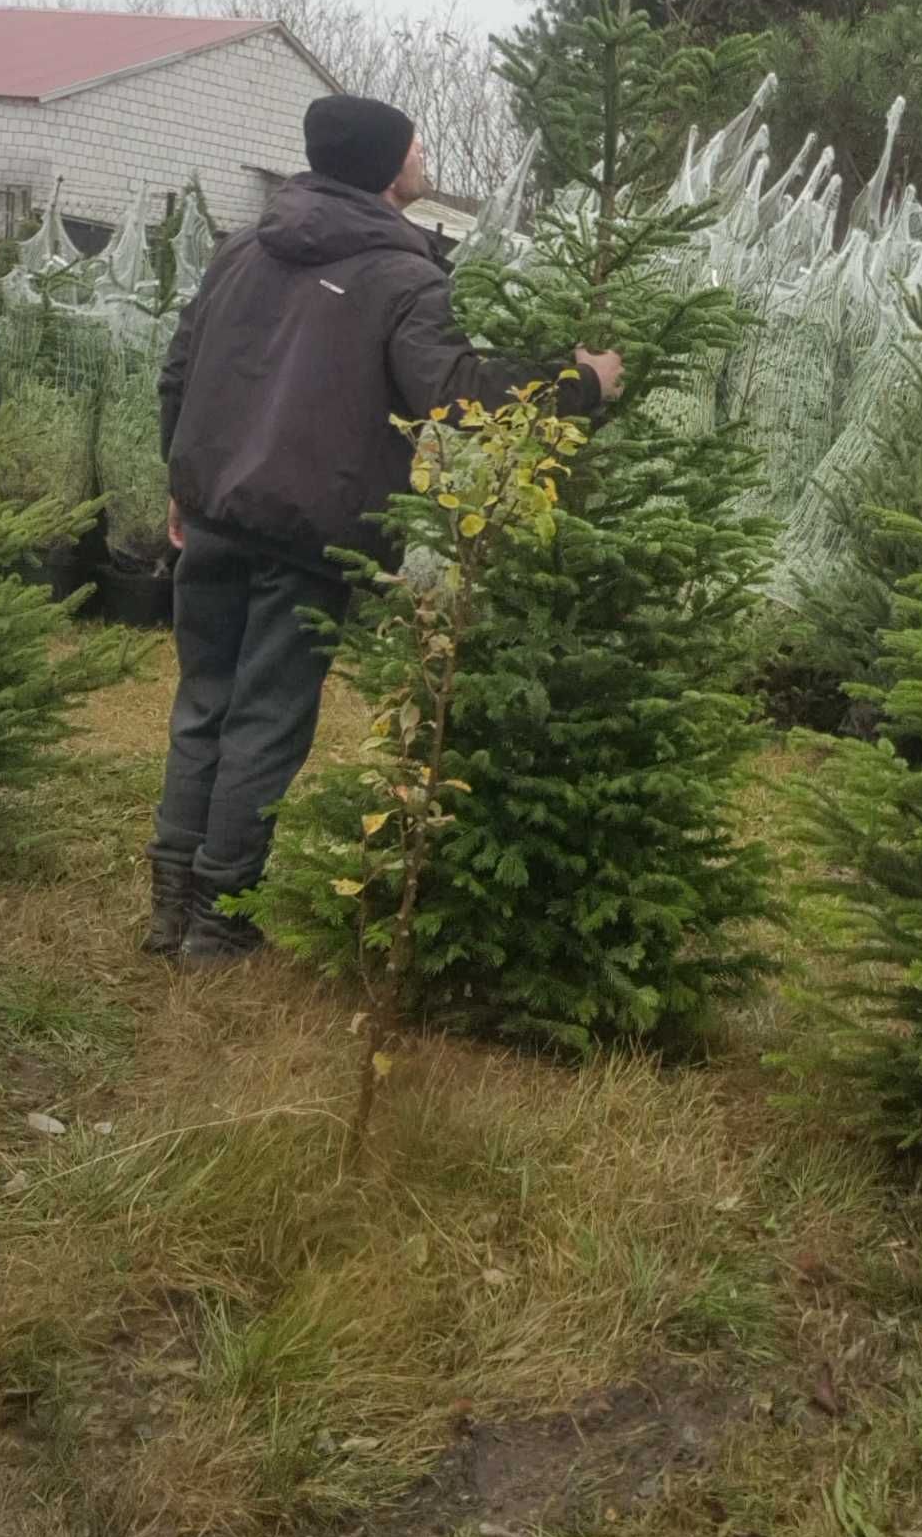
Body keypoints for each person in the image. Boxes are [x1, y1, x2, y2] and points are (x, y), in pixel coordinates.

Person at [149, 93, 622, 968]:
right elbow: (461, 395)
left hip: (214, 510)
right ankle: (217, 924)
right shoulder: (402, 277)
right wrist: (581, 382)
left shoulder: (242, 247)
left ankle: (169, 905)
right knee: (263, 721)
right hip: (308, 534)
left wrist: (180, 481)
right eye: (417, 143)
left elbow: (182, 366)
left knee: (201, 706)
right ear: (385, 164)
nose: (426, 153)